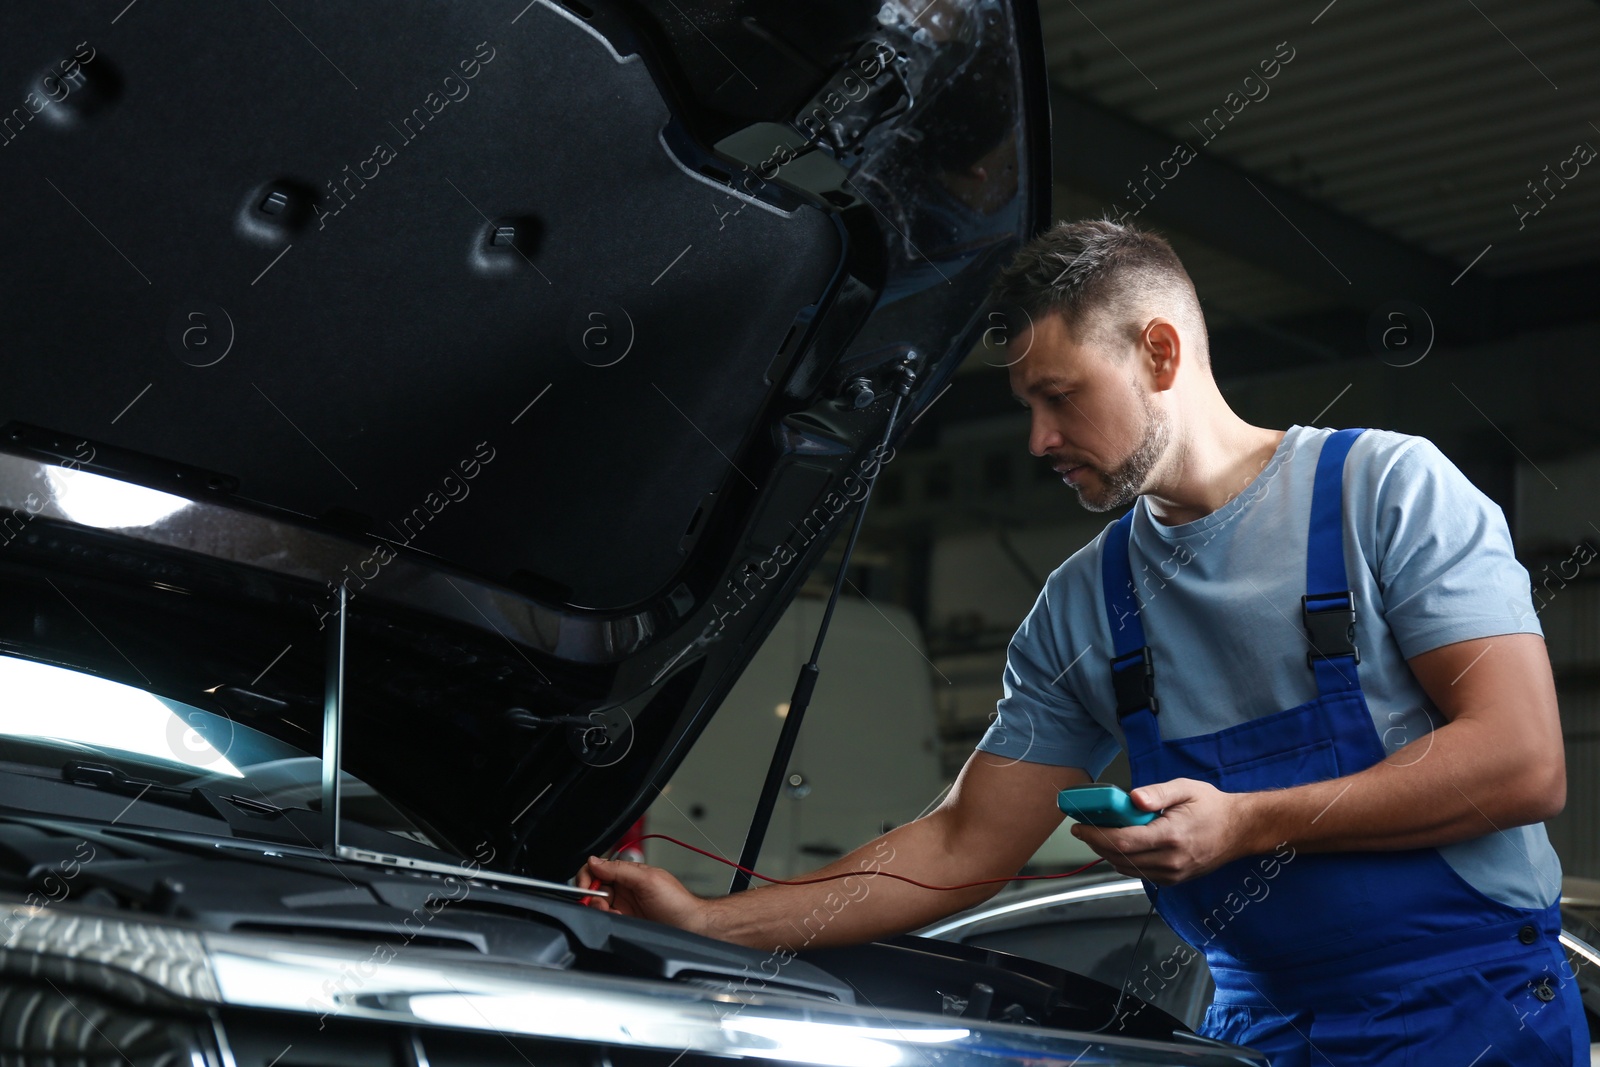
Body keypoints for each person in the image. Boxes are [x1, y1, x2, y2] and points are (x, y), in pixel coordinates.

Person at [577, 219, 1583, 1066]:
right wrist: (714, 922)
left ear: (1158, 353)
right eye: (1026, 406)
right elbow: (959, 844)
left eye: (1060, 396)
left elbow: (1519, 759)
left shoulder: (1387, 492)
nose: (1038, 441)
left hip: (1473, 1013)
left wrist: (1248, 821)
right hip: (1261, 1030)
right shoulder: (1084, 604)